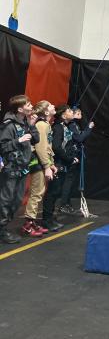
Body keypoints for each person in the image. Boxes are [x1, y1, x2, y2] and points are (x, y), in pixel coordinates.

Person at [0, 95, 39, 244]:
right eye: (28, 104)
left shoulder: (25, 123)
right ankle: (2, 229)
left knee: (17, 201)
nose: (31, 106)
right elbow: (3, 146)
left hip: (22, 167)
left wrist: (32, 125)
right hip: (11, 168)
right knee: (6, 200)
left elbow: (36, 139)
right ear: (20, 109)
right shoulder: (9, 125)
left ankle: (4, 226)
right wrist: (18, 140)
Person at [22, 101, 57, 237]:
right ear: (46, 112)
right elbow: (41, 147)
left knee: (39, 192)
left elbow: (48, 147)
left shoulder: (46, 124)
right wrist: (47, 166)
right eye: (50, 105)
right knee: (36, 193)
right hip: (37, 162)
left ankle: (32, 222)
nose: (53, 106)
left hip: (42, 162)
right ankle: (28, 224)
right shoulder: (42, 125)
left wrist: (51, 163)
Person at [42, 104, 77, 231]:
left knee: (56, 192)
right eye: (69, 110)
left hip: (63, 163)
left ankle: (50, 218)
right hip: (57, 163)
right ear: (63, 115)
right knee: (53, 192)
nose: (72, 112)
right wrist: (69, 159)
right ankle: (46, 220)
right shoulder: (58, 127)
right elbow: (56, 147)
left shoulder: (65, 127)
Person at [59, 107, 94, 215]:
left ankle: (66, 203)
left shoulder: (74, 125)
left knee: (70, 180)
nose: (80, 115)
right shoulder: (71, 125)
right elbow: (79, 138)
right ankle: (64, 204)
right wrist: (89, 128)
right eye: (77, 113)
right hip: (71, 155)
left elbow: (79, 136)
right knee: (68, 180)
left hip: (73, 155)